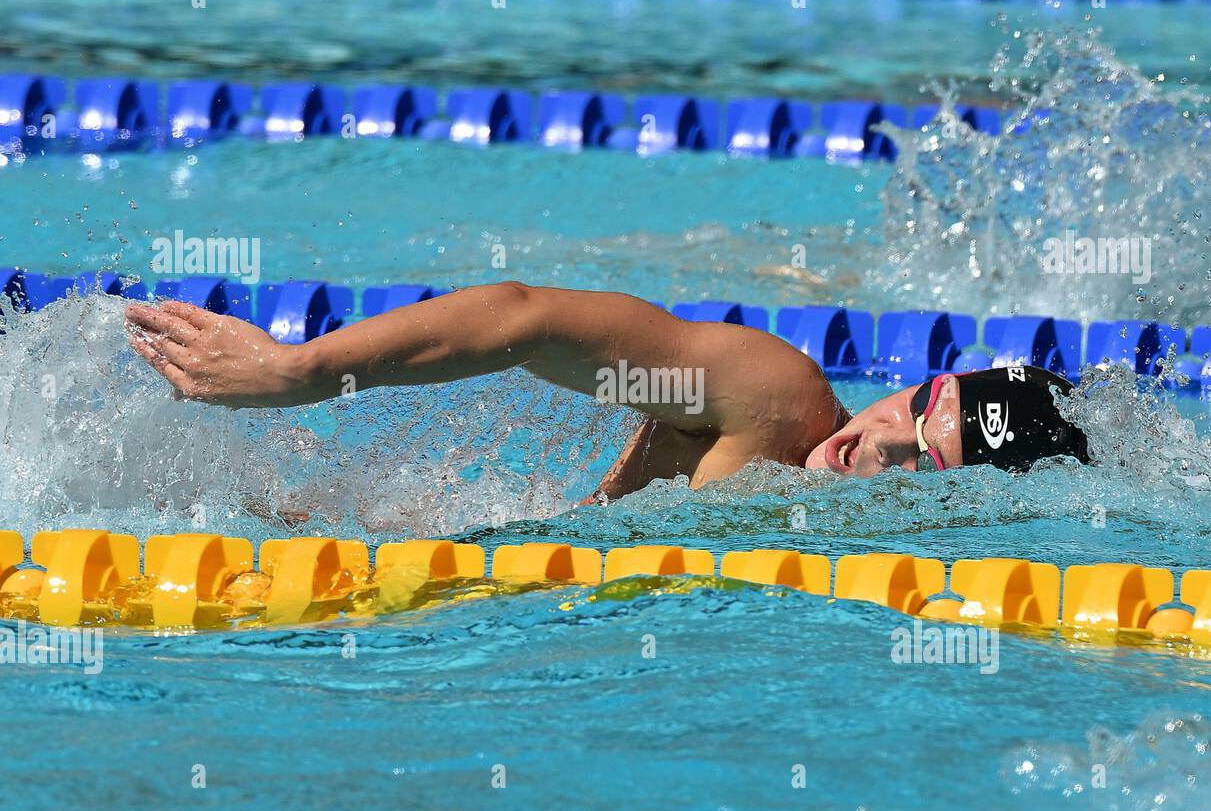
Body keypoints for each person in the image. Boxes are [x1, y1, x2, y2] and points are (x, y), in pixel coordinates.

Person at [124, 282, 1089, 501]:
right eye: (909, 417)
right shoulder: (775, 400)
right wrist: (301, 370)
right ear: (916, 384)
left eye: (923, 465)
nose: (876, 447)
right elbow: (531, 320)